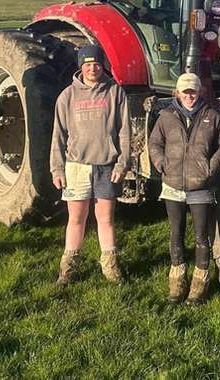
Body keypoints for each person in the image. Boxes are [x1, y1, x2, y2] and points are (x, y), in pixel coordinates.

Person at [50, 44, 131, 287]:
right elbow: (58, 135)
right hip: (76, 166)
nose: (92, 68)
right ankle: (68, 268)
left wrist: (122, 163)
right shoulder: (67, 96)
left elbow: (125, 131)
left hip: (107, 165)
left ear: (102, 65)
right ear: (81, 67)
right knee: (76, 218)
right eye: (87, 65)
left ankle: (110, 266)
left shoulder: (115, 93)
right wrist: (57, 168)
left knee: (105, 218)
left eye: (96, 64)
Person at [148, 72, 220, 304]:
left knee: (202, 236)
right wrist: (160, 162)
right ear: (178, 93)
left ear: (199, 92)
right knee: (176, 234)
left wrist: (210, 168)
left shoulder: (212, 116)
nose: (189, 96)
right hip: (173, 184)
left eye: (193, 91)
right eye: (185, 92)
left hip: (201, 186)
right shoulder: (166, 116)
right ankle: (177, 283)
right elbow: (155, 143)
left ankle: (199, 285)